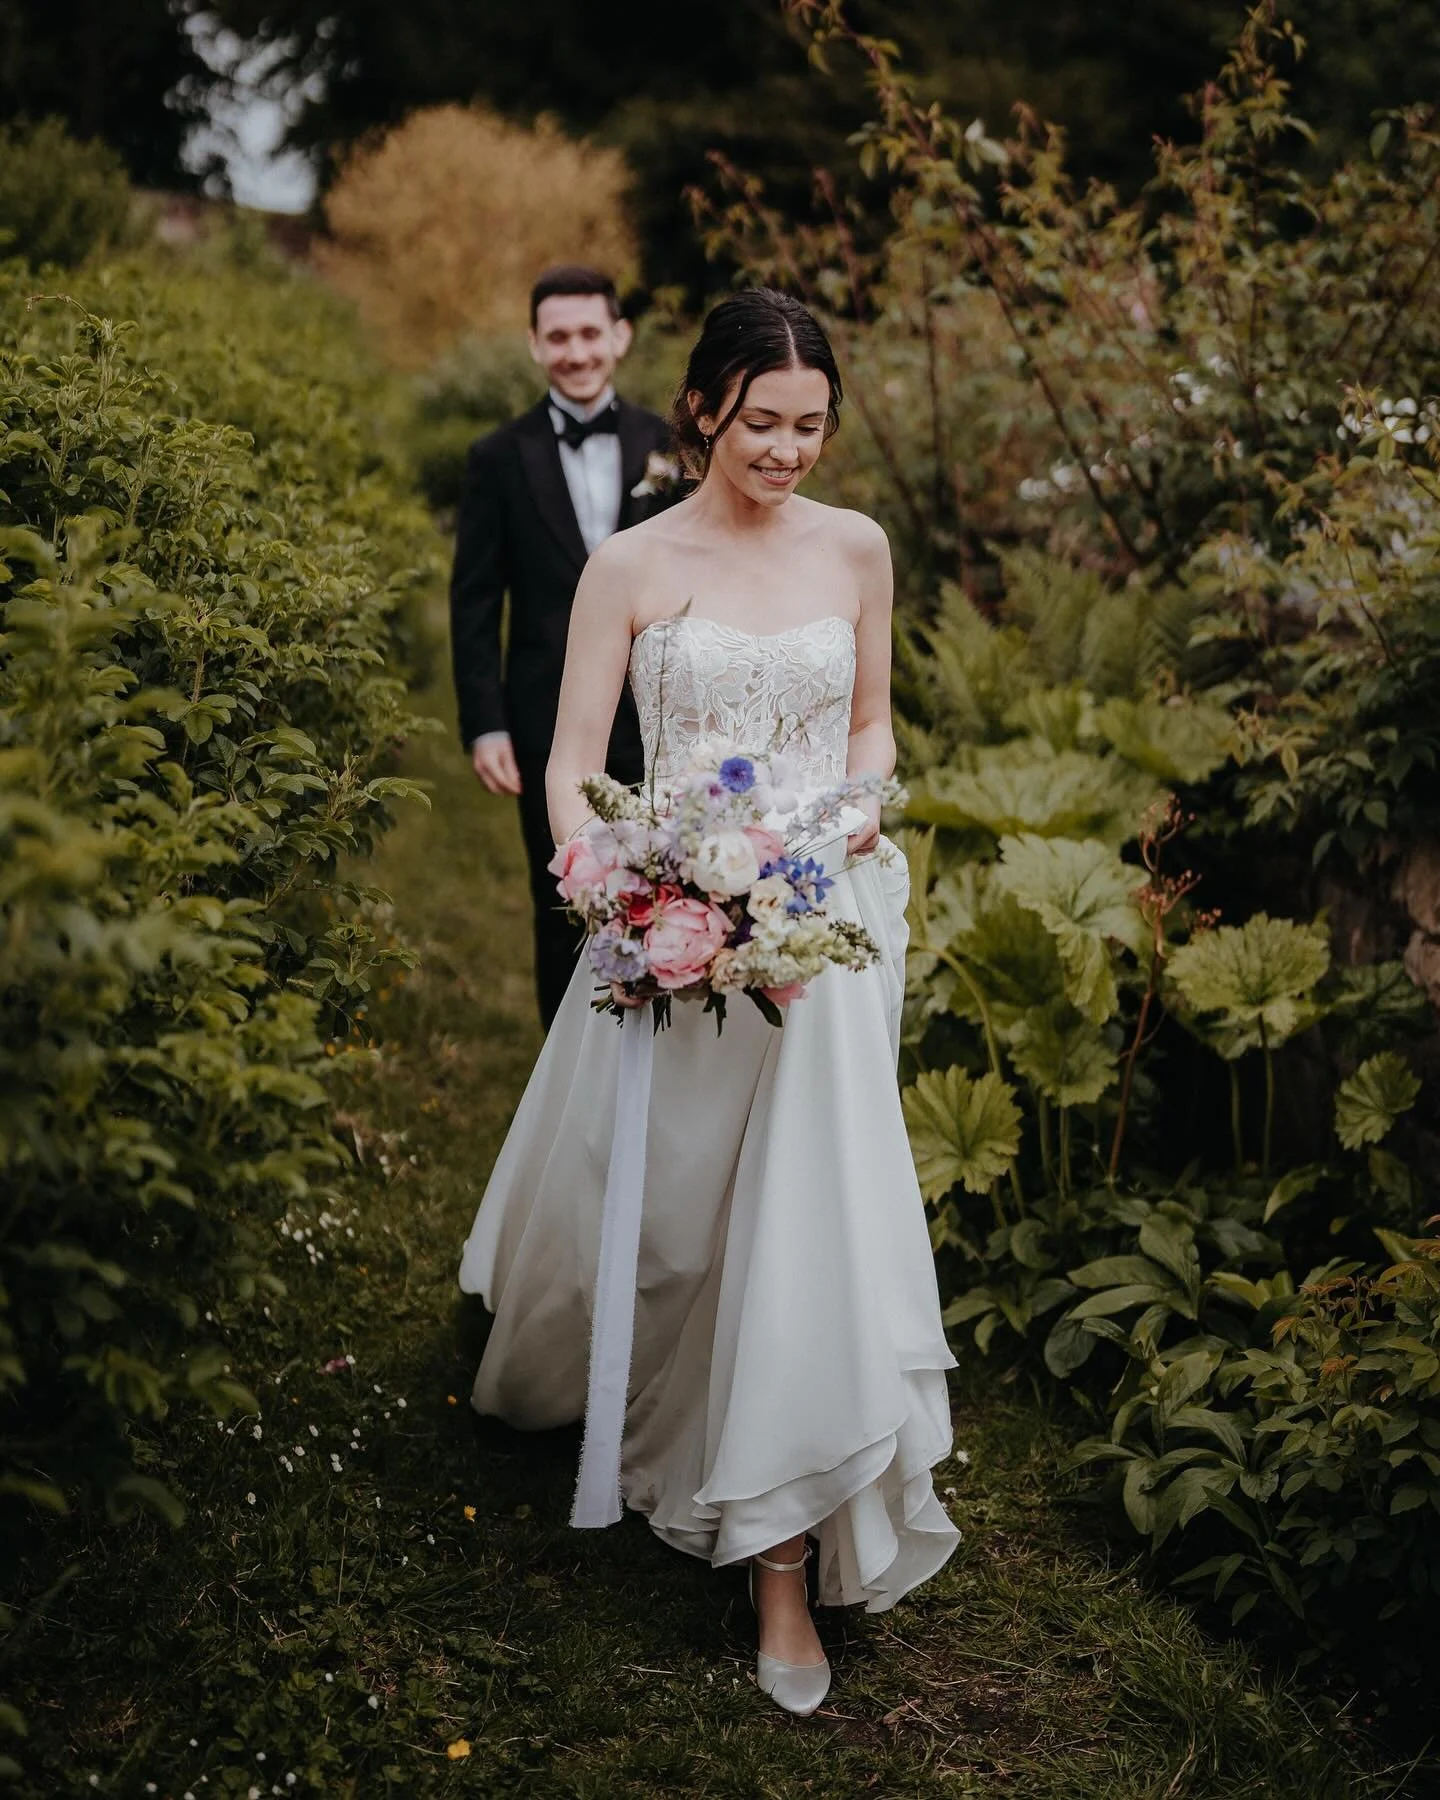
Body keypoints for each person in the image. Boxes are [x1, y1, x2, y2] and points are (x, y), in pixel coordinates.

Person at [459, 289, 959, 1716]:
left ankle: (784, 1549)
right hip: (669, 913)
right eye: (763, 423)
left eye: (811, 426)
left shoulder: (857, 549)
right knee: (676, 1209)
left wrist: (853, 821)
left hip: (823, 928)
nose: (789, 450)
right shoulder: (628, 562)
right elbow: (573, 756)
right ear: (702, 411)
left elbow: (868, 722)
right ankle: (635, 1386)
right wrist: (603, 870)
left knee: (805, 1209)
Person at [449, 264, 677, 1027]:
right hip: (547, 713)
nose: (575, 352)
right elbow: (475, 600)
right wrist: (485, 722)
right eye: (558, 337)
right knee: (563, 893)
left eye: (589, 333)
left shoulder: (668, 445)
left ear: (620, 336)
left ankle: (660, 1047)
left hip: (656, 711)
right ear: (534, 345)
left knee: (668, 884)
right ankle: (566, 1067)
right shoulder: (497, 457)